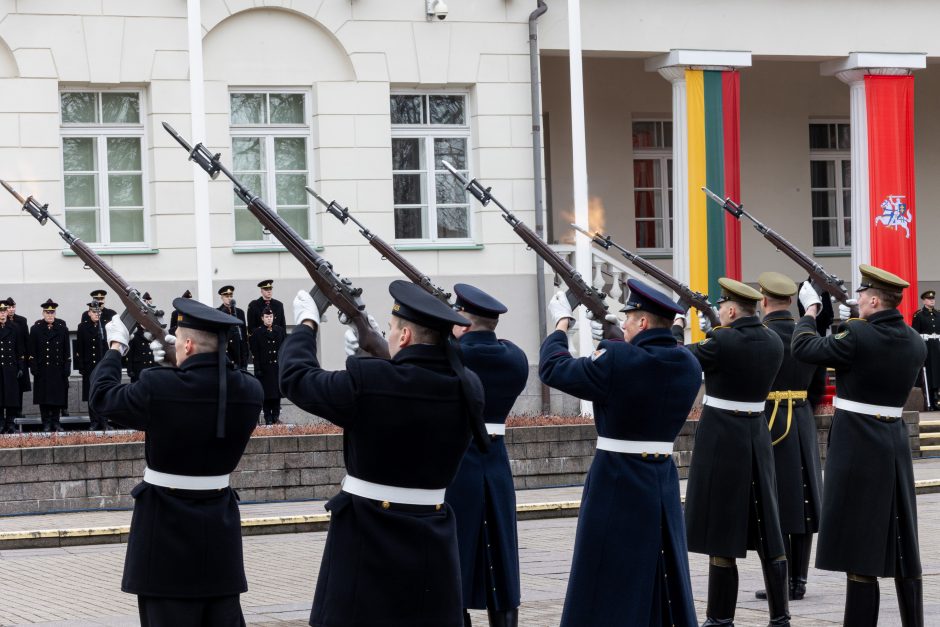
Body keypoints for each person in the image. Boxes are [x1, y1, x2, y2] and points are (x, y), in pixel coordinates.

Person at [279, 280, 486, 627]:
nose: (388, 336)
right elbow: (413, 380)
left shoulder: (371, 381)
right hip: (432, 536)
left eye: (391, 330)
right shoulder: (468, 387)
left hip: (367, 532)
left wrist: (306, 325)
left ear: (404, 337)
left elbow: (297, 377)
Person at [538, 279, 702, 627]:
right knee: (661, 571)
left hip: (616, 479)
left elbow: (553, 368)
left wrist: (561, 324)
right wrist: (611, 340)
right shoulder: (686, 362)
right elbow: (647, 364)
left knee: (605, 574)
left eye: (629, 318)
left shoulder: (616, 357)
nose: (623, 322)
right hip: (662, 479)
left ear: (643, 322)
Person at [90, 297, 263, 626]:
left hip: (164, 529)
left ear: (185, 343)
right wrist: (177, 365)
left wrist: (115, 348)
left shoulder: (159, 385)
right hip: (219, 529)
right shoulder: (250, 391)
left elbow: (103, 398)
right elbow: (209, 385)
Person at [792, 264, 926, 627]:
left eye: (863, 295)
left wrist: (809, 311)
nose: (858, 299)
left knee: (858, 542)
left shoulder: (856, 334)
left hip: (856, 445)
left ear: (873, 299)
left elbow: (803, 347)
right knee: (902, 539)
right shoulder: (914, 340)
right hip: (894, 441)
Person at [684, 277, 788, 627]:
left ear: (729, 310)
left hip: (722, 437)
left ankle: (720, 618)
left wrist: (682, 327)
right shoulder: (773, 340)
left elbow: (681, 359)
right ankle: (780, 616)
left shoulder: (721, 341)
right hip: (757, 433)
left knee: (722, 528)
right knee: (767, 525)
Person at [444, 284, 529, 627]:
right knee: (501, 557)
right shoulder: (516, 358)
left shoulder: (452, 356)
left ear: (463, 322)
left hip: (457, 461)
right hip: (495, 461)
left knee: (455, 557)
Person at [751, 272, 823, 603]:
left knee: (775, 498)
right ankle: (799, 580)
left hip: (769, 418)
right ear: (791, 302)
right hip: (803, 417)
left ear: (763, 301)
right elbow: (820, 386)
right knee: (804, 496)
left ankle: (781, 581)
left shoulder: (760, 336)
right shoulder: (806, 334)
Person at [28, 299, 71, 433]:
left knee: (58, 398)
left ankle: (56, 423)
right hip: (43, 370)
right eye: (47, 313)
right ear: (43, 313)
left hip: (58, 370)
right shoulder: (36, 329)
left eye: (52, 313)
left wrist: (67, 367)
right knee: (44, 399)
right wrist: (33, 368)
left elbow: (66, 351)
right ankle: (46, 423)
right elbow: (32, 351)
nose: (50, 315)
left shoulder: (62, 328)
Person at [74, 301, 111, 430]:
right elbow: (79, 349)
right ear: (89, 313)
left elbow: (108, 347)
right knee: (91, 395)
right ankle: (94, 421)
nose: (97, 314)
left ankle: (104, 421)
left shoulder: (105, 326)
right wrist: (82, 368)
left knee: (104, 394)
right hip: (90, 367)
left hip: (103, 367)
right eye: (94, 312)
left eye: (98, 312)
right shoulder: (83, 327)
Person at [249, 306, 285, 425]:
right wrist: (257, 368)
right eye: (266, 317)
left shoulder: (279, 331)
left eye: (270, 317)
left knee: (276, 394)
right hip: (264, 369)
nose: (269, 319)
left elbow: (284, 349)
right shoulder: (257, 333)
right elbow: (255, 353)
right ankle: (268, 417)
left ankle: (276, 416)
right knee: (266, 395)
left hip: (277, 368)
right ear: (262, 318)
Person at [910, 289, 939, 410]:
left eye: (933, 299)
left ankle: (937, 400)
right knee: (929, 376)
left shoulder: (938, 314)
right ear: (924, 301)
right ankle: (930, 402)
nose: (932, 301)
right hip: (927, 348)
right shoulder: (919, 315)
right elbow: (915, 334)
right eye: (929, 299)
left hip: (938, 348)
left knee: (938, 374)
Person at [0, 303, 26, 433]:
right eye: (0, 311)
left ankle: (10, 423)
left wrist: (21, 366)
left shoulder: (15, 327)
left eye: (4, 311)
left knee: (11, 397)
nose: (2, 314)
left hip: (11, 368)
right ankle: (0, 423)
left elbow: (19, 348)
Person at [4, 297, 30, 422]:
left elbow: (26, 341)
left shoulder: (21, 321)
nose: (10, 310)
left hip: (19, 359)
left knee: (18, 388)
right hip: (7, 361)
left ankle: (17, 412)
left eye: (12, 307)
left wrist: (26, 361)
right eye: (8, 307)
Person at [126, 293, 157, 383]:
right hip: (138, 370)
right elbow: (130, 354)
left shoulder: (153, 333)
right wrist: (130, 369)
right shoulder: (135, 335)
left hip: (151, 369)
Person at [217, 285, 249, 369]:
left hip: (238, 352)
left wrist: (245, 357)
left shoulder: (239, 312)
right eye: (226, 296)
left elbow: (244, 336)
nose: (229, 298)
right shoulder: (218, 312)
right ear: (222, 297)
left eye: (231, 296)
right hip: (226, 352)